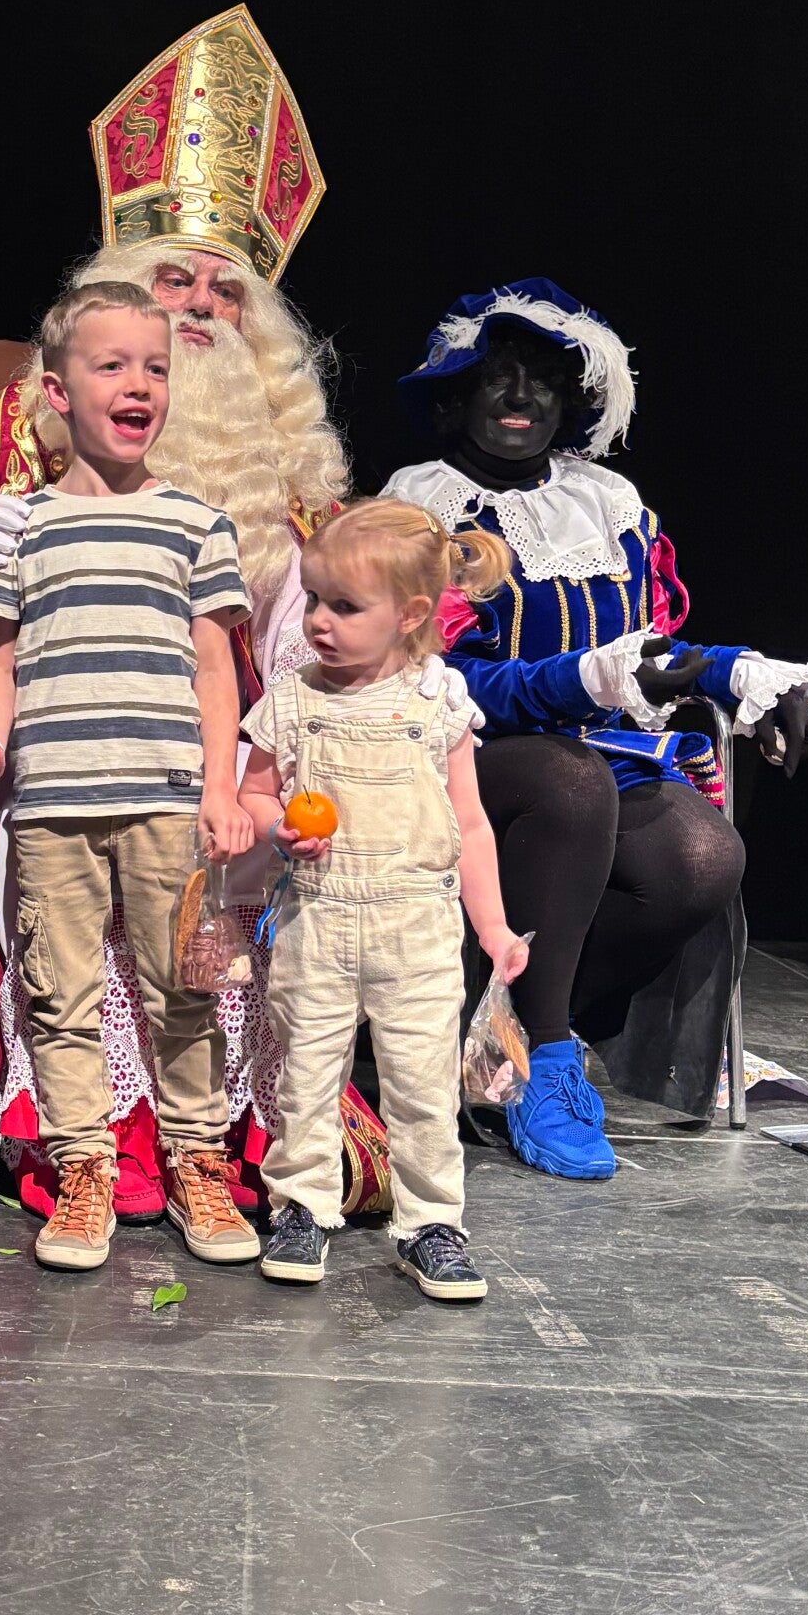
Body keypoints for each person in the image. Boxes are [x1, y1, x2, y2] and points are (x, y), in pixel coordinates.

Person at [0, 7, 397, 1237]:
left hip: (216, 784)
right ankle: (85, 1140)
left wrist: (271, 757)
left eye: (225, 293)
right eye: (171, 283)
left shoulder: (286, 481)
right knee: (63, 960)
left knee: (214, 936)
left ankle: (208, 1140)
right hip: (60, 771)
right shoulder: (16, 453)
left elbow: (311, 639)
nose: (196, 311)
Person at [385, 278, 808, 1179]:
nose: (522, 396)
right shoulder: (420, 507)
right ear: (455, 398)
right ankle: (544, 1064)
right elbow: (431, 676)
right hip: (459, 756)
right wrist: (584, 680)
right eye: (498, 376)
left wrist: (737, 671)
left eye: (545, 379)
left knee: (703, 860)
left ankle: (506, 1030)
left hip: (593, 753)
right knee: (571, 781)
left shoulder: (609, 504)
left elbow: (649, 642)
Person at [0, 280, 259, 1270]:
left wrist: (221, 787)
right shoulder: (21, 526)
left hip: (168, 798)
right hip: (51, 802)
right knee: (59, 990)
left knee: (186, 989)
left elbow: (217, 668)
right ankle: (81, 1162)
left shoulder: (197, 524)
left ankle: (197, 1157)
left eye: (155, 368)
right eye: (112, 365)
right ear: (58, 390)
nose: (139, 385)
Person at [239, 502, 527, 1293]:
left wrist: (494, 927)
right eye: (314, 600)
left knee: (422, 1087)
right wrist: (276, 830)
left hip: (417, 926)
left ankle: (431, 1222)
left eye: (345, 606)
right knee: (306, 1079)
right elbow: (255, 793)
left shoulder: (438, 700)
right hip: (318, 919)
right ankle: (300, 1208)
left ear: (409, 615)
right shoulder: (292, 699)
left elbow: (470, 823)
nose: (320, 621)